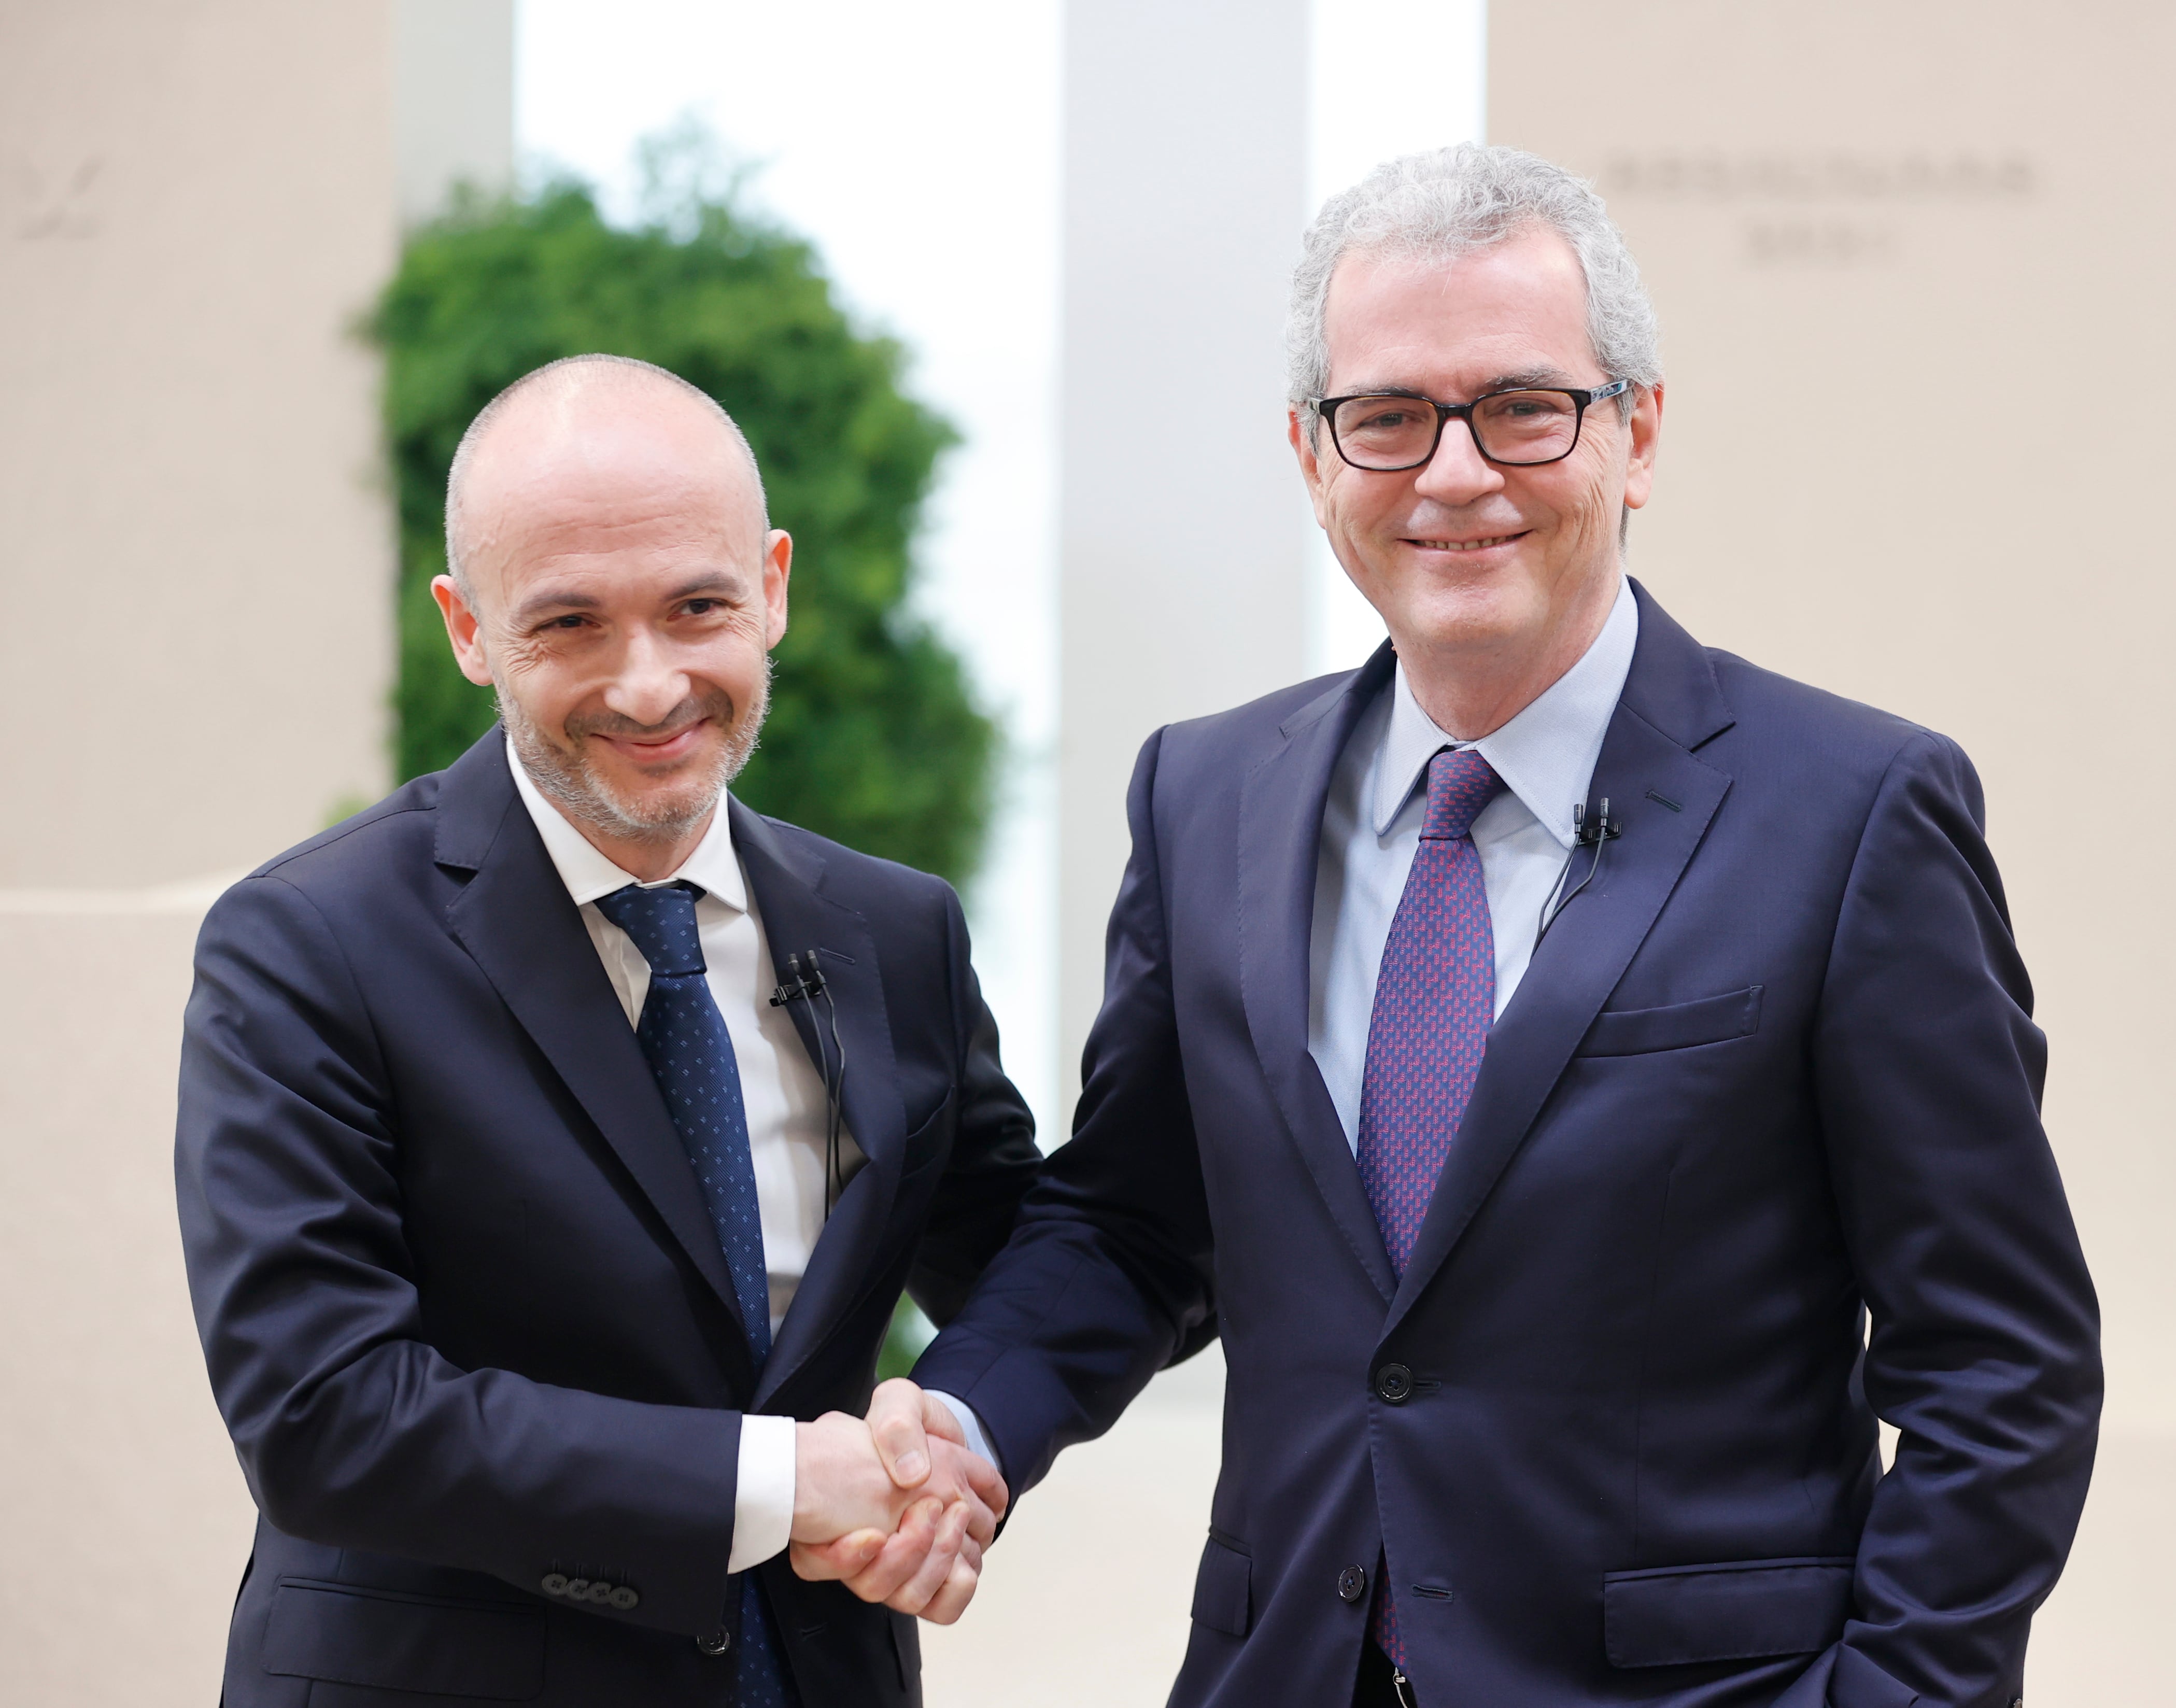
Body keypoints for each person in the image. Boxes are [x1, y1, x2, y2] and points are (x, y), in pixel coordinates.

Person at [860, 146, 2102, 1707]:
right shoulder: (1204, 796)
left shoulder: (1855, 815)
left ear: (1637, 434)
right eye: (1386, 417)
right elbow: (1130, 1221)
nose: (1454, 473)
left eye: (1524, 407)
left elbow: (2002, 1363)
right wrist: (964, 1426)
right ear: (1313, 458)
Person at [175, 354, 1036, 1707]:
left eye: (698, 606)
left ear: (774, 588)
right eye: (570, 622)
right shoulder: (305, 945)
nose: (649, 688)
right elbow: (324, 1415)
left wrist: (951, 1464)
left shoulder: (898, 930)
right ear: (469, 628)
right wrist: (783, 1481)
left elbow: (1025, 1266)